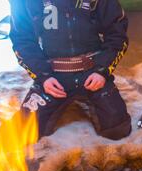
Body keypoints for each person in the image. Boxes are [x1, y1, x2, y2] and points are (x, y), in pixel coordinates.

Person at [9, 0, 133, 140]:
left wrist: (102, 71)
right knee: (23, 131)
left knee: (117, 129)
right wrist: (43, 76)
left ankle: (90, 99)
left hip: (92, 72)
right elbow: (22, 41)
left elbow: (117, 35)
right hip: (53, 76)